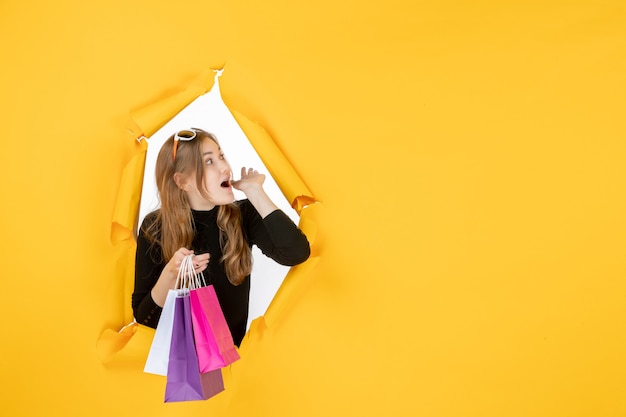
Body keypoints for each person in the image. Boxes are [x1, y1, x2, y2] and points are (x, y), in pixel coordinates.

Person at [132, 128, 310, 346]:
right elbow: (144, 320)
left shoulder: (243, 215)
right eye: (209, 162)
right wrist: (170, 275)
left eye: (221, 156)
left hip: (231, 366)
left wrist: (255, 191)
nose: (225, 167)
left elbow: (296, 253)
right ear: (183, 182)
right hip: (179, 370)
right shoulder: (155, 227)